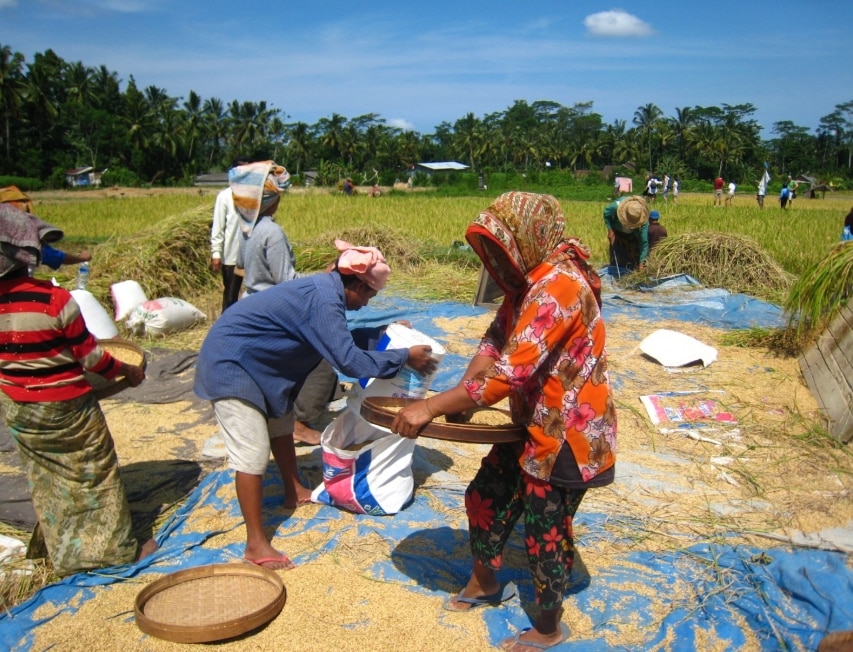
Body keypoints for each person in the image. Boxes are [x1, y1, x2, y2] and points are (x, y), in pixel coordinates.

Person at [390, 191, 616, 651]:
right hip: (529, 422)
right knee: (486, 495)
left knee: (545, 531)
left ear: (528, 237)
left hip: (566, 436)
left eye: (503, 246)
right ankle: (485, 583)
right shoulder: (529, 282)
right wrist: (464, 393)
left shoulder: (559, 285)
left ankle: (549, 628)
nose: (497, 260)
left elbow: (508, 374)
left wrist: (430, 407)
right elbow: (495, 343)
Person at [193, 239, 437, 569]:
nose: (367, 303)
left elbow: (336, 337)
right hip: (232, 366)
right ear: (357, 285)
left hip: (261, 365)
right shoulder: (323, 298)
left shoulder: (327, 292)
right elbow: (348, 360)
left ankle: (293, 489)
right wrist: (403, 357)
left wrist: (382, 331)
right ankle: (256, 544)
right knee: (252, 454)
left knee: (281, 423)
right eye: (368, 295)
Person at [0, 203, 155, 576]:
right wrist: (126, 371)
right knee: (94, 473)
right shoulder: (54, 300)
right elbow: (91, 358)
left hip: (19, 407)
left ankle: (64, 553)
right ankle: (115, 551)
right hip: (67, 408)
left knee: (47, 479)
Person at [231, 160, 338, 446]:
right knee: (322, 357)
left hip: (253, 304)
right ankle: (298, 422)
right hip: (275, 313)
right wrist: (324, 277)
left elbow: (241, 267)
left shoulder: (246, 229)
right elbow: (286, 281)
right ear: (271, 199)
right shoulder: (272, 232)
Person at [210, 157, 250, 312]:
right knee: (230, 296)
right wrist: (216, 253)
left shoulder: (254, 195)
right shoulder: (225, 196)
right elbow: (218, 226)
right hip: (232, 256)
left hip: (251, 254)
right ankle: (226, 323)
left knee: (254, 294)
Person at [603, 195, 650, 272]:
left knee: (632, 264)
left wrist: (642, 262)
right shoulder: (616, 206)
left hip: (632, 237)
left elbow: (643, 242)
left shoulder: (643, 220)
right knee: (617, 260)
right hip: (618, 234)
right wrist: (610, 229)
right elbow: (606, 214)